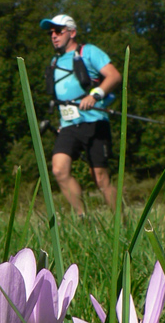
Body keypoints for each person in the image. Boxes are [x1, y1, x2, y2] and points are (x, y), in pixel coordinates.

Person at [40, 13, 122, 215]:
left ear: (72, 32)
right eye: (51, 33)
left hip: (94, 122)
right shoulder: (54, 61)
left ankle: (121, 222)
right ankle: (82, 217)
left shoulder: (89, 51)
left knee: (100, 177)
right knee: (59, 170)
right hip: (68, 125)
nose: (53, 36)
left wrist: (95, 95)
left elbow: (114, 76)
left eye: (58, 31)